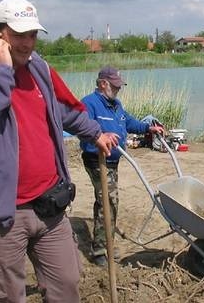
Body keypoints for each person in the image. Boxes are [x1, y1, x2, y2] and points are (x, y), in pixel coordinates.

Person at [0, 0, 119, 303]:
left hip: (49, 205)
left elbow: (64, 110)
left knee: (67, 283)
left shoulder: (39, 70)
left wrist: (96, 132)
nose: (27, 44)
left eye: (32, 35)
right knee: (7, 296)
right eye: (19, 35)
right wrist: (2, 71)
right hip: (2, 215)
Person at [80, 66, 165, 266]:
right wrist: (99, 137)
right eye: (115, 86)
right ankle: (100, 250)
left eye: (119, 86)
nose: (118, 90)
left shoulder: (116, 104)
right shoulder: (89, 104)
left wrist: (148, 127)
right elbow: (83, 129)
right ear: (102, 84)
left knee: (108, 201)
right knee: (108, 202)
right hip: (97, 160)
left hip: (113, 161)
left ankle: (106, 244)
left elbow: (129, 122)